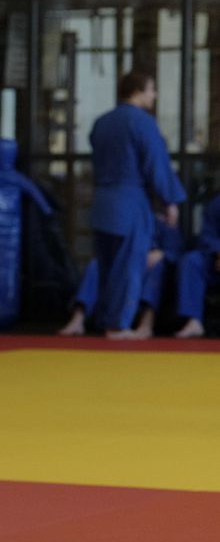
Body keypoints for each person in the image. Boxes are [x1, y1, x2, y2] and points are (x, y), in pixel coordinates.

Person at [87, 71, 186, 341]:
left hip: (102, 202)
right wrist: (170, 200)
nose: (154, 95)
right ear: (138, 91)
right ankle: (118, 325)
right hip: (129, 204)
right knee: (128, 266)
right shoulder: (142, 122)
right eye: (151, 89)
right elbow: (156, 164)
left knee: (107, 266)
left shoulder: (101, 123)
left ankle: (106, 321)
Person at [58, 218, 181, 338]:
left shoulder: (165, 224)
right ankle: (78, 319)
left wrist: (162, 254)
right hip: (124, 267)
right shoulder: (125, 221)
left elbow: (175, 252)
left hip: (148, 269)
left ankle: (146, 325)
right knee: (95, 265)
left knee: (157, 269)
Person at [175, 194, 220, 339]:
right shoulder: (217, 203)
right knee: (191, 260)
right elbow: (206, 236)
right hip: (215, 262)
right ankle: (194, 321)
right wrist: (218, 251)